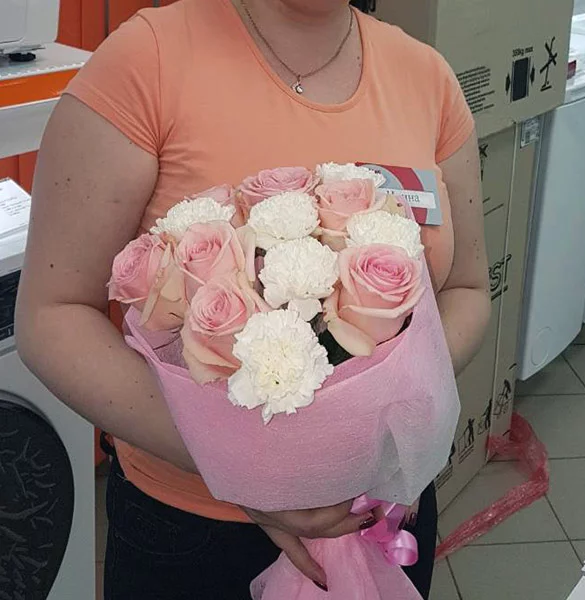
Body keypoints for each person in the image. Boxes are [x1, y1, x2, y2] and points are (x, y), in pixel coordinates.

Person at [15, 0, 491, 598]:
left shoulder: (426, 78)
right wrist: (247, 464)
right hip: (198, 532)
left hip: (382, 513)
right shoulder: (145, 62)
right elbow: (52, 316)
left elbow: (467, 290)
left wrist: (376, 432)